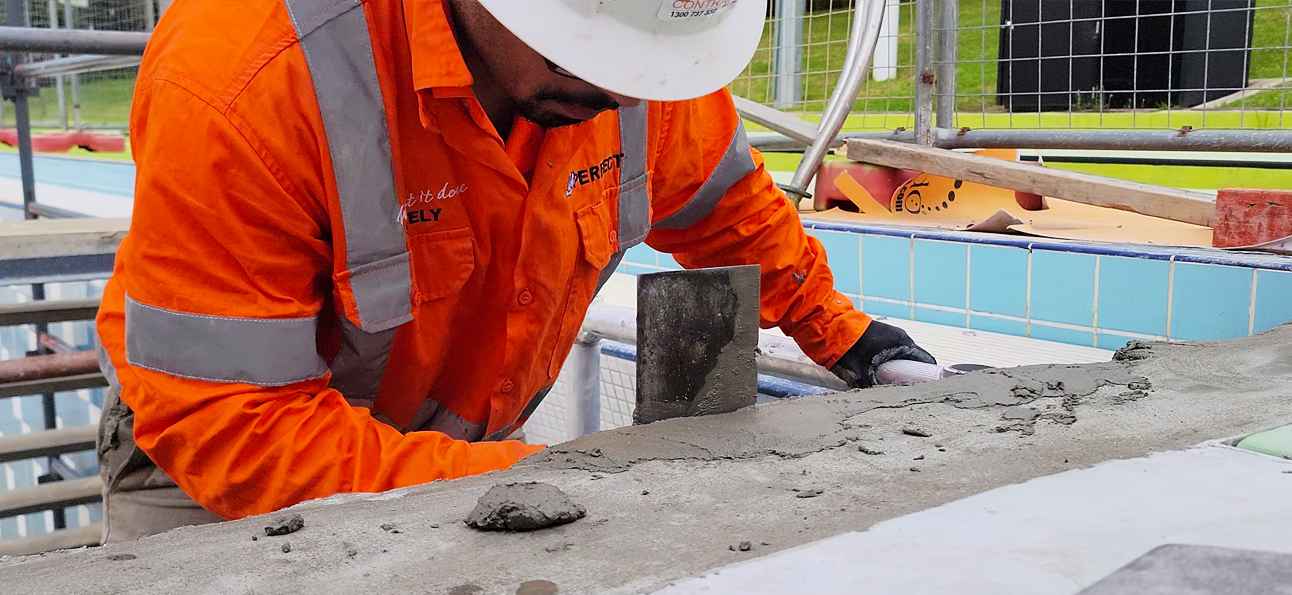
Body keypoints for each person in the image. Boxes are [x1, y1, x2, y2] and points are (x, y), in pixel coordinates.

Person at [94, 0, 934, 543]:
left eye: (638, 64)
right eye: (585, 53)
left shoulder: (638, 59)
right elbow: (229, 419)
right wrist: (520, 478)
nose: (616, 89)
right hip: (212, 478)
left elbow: (725, 207)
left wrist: (848, 337)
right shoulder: (249, 76)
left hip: (460, 462)